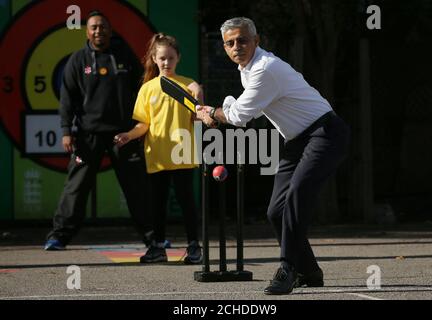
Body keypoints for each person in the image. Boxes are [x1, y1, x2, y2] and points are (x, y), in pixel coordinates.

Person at [196, 17, 350, 294]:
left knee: (297, 196)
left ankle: (287, 268)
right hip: (297, 140)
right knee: (276, 211)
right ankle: (310, 272)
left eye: (243, 40)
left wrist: (213, 115)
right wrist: (216, 112)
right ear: (224, 47)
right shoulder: (248, 68)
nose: (237, 46)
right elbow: (246, 109)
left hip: (325, 134)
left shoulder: (265, 68)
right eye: (230, 43)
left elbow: (240, 116)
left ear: (257, 41)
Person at [45, 11, 152, 250]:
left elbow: (143, 90)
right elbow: (67, 99)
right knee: (76, 186)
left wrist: (142, 124)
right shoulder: (77, 60)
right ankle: (58, 236)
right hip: (87, 136)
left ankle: (152, 237)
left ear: (110, 31)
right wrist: (65, 130)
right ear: (87, 32)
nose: (98, 31)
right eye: (93, 27)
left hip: (122, 135)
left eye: (103, 27)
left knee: (136, 187)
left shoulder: (125, 56)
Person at [114, 33, 203, 264]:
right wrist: (128, 135)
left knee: (187, 203)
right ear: (154, 58)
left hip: (182, 153)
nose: (166, 62)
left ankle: (194, 247)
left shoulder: (188, 85)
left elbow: (198, 117)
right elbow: (144, 124)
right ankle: (157, 248)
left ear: (178, 58)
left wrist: (198, 92)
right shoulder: (148, 89)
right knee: (157, 205)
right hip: (156, 155)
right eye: (162, 58)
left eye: (171, 58)